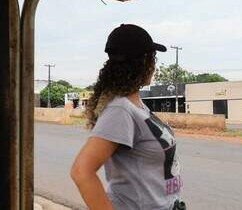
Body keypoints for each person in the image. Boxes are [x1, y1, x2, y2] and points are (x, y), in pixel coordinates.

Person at [70, 24, 185, 210]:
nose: (154, 65)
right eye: (152, 58)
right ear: (141, 63)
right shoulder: (120, 110)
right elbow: (81, 172)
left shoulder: (136, 105)